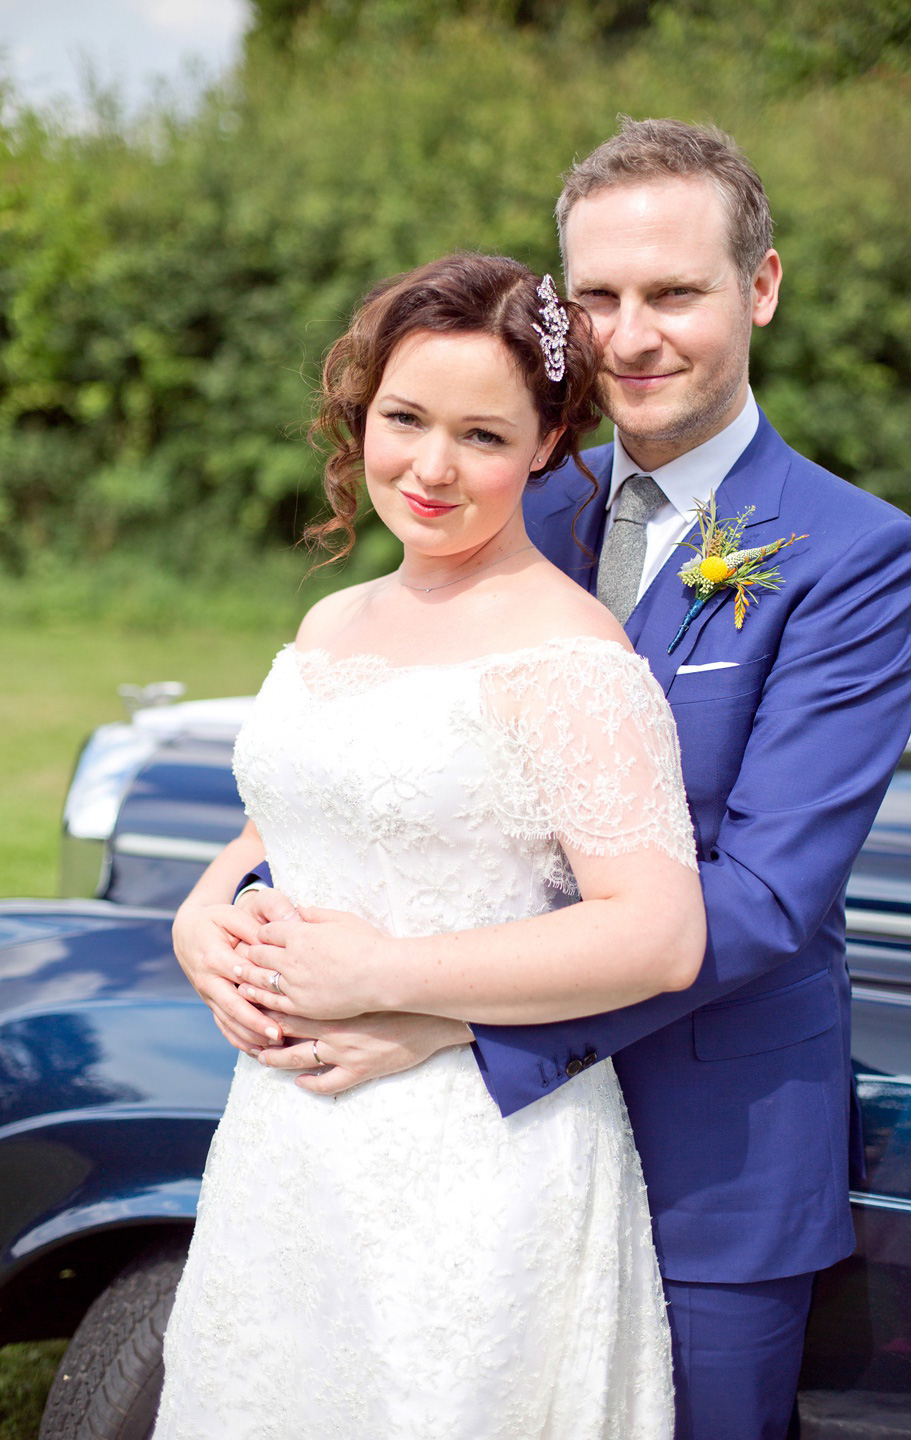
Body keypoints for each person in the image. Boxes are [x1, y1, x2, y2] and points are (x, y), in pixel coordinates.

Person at [213, 119, 911, 1440]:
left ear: (761, 288)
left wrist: (449, 1023)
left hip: (712, 1150)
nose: (633, 334)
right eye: (597, 297)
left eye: (676, 293)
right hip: (446, 1154)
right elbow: (388, 765)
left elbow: (768, 898)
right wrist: (224, 919)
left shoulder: (856, 557)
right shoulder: (502, 481)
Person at [159, 253, 705, 1438]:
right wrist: (200, 916)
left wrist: (382, 978)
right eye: (405, 420)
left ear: (549, 445)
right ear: (365, 411)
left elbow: (658, 934)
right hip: (288, 1147)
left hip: (472, 1165)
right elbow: (282, 825)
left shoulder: (570, 657)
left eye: (483, 436)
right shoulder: (333, 619)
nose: (432, 467)